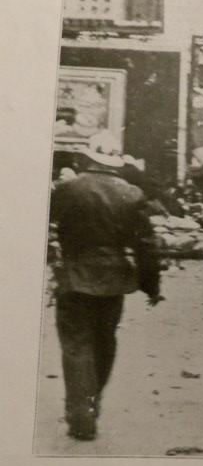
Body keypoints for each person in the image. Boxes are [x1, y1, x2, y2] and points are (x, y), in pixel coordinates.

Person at [50, 130, 162, 440]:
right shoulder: (130, 195)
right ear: (116, 162)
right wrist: (151, 285)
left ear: (88, 158)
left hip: (73, 277)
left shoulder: (67, 189)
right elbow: (146, 246)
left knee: (76, 345)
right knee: (103, 341)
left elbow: (46, 228)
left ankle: (80, 413)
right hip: (113, 280)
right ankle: (92, 401)